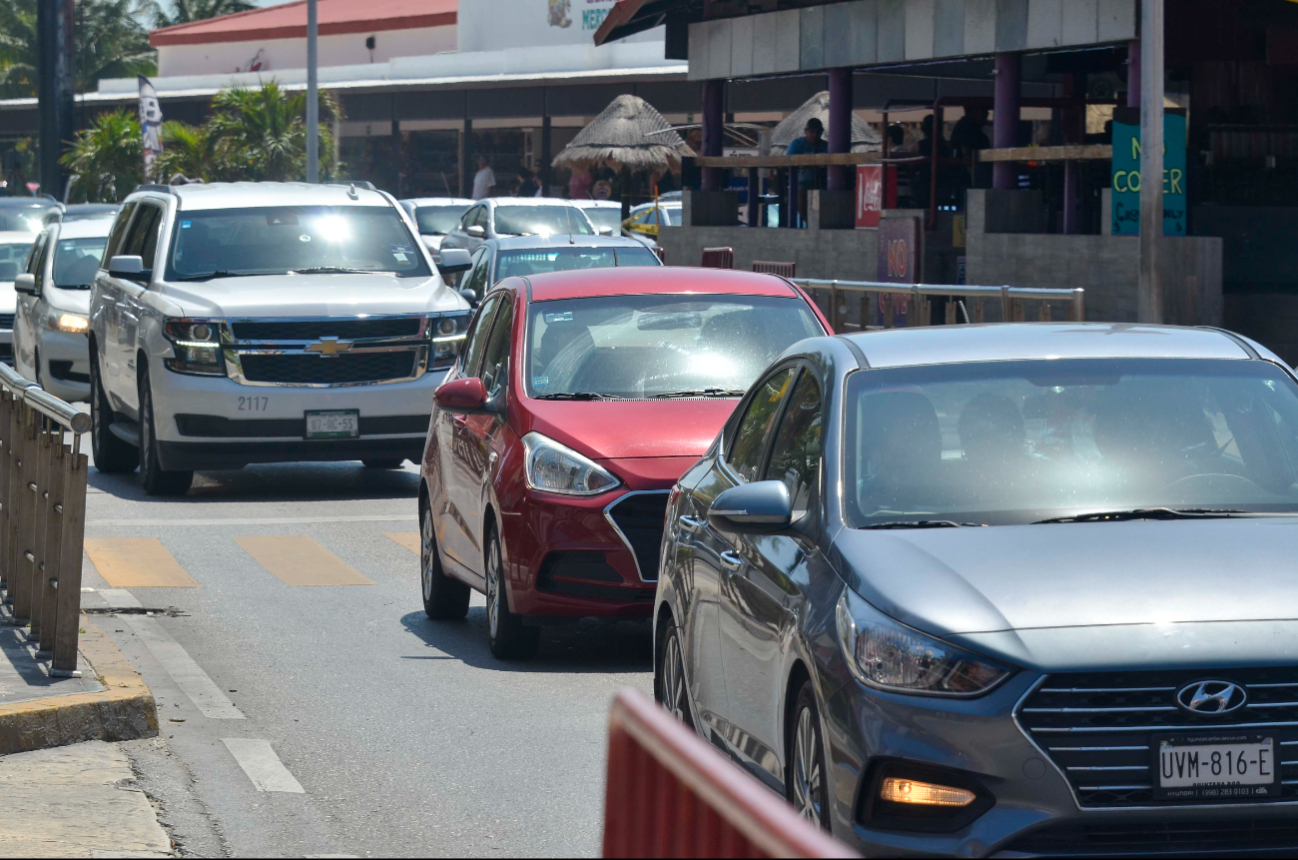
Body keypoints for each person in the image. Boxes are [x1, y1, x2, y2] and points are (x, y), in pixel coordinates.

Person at [785, 117, 827, 228]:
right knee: (800, 199)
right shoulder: (797, 144)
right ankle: (809, 224)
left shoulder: (825, 145)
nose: (814, 135)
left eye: (817, 132)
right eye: (811, 132)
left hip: (822, 184)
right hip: (801, 184)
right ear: (806, 131)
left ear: (821, 133)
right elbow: (787, 162)